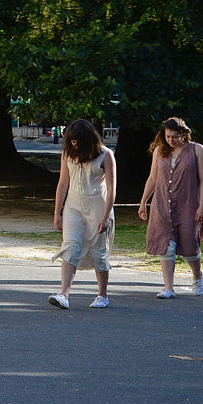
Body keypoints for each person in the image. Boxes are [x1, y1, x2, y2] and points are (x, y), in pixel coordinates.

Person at [47, 120, 117, 310]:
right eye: (71, 141)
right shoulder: (68, 154)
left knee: (99, 253)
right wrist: (57, 212)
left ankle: (102, 295)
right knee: (70, 247)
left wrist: (105, 216)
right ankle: (64, 295)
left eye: (77, 141)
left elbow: (111, 189)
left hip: (98, 209)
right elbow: (62, 183)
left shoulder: (105, 155)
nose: (74, 144)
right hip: (73, 209)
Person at [138, 117, 203, 298]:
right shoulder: (159, 152)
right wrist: (143, 201)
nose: (171, 140)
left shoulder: (197, 150)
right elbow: (152, 178)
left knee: (189, 248)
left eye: (175, 137)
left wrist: (202, 206)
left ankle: (197, 275)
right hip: (162, 205)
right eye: (168, 136)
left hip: (188, 205)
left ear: (184, 135)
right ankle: (169, 288)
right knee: (166, 246)